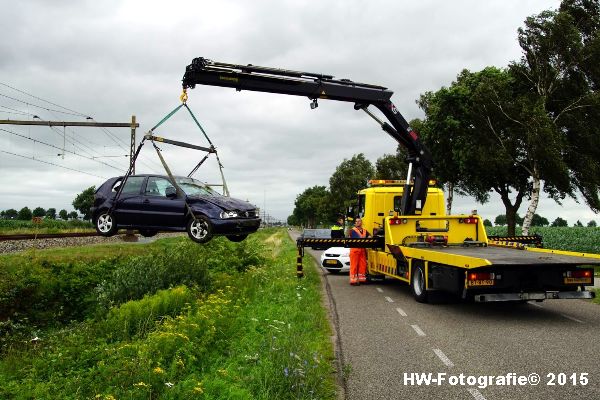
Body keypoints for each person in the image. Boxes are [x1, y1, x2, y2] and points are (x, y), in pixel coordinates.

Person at [349, 217, 370, 285]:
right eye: (356, 221)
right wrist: (366, 238)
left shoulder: (364, 230)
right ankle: (353, 280)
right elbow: (358, 238)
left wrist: (369, 237)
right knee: (354, 266)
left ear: (361, 222)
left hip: (362, 250)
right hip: (355, 250)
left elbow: (369, 236)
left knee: (362, 265)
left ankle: (362, 279)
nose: (358, 222)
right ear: (355, 223)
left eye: (359, 221)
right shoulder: (352, 230)